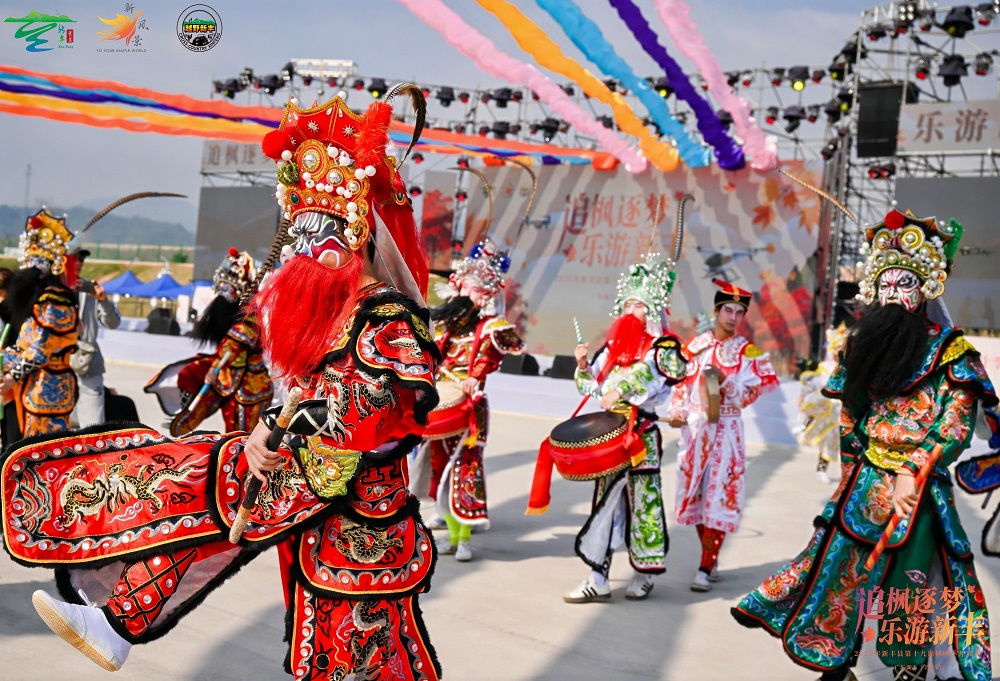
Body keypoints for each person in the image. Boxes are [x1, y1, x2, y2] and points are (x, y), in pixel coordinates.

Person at [8, 89, 444, 679]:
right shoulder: (343, 311)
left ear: (355, 231)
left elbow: (363, 415)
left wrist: (275, 427)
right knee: (200, 486)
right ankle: (116, 623)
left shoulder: (387, 317)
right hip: (319, 499)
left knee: (358, 658)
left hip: (359, 519)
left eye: (313, 233)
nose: (300, 252)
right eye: (299, 234)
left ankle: (115, 624)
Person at [732, 210, 995, 681]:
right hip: (862, 487)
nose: (895, 293)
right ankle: (841, 665)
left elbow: (954, 424)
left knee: (910, 590)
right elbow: (852, 417)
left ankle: (904, 672)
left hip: (917, 495)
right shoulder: (863, 345)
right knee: (839, 580)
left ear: (925, 289)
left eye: (906, 283)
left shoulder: (951, 352)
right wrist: (854, 469)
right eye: (887, 284)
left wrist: (912, 471)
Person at [554, 252, 688, 603]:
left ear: (654, 310)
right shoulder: (614, 348)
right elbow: (590, 387)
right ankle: (597, 575)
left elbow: (650, 374)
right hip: (610, 436)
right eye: (628, 304)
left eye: (640, 305)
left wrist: (620, 389)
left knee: (644, 504)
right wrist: (583, 365)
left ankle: (644, 572)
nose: (632, 312)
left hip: (641, 437)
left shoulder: (665, 348)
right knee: (604, 504)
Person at [414, 236, 524, 562]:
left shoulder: (489, 327)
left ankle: (465, 539)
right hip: (442, 403)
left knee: (464, 469)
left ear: (486, 296)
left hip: (469, 407)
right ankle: (450, 529)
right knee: (437, 468)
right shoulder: (449, 327)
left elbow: (510, 345)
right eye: (463, 288)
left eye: (473, 291)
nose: (465, 295)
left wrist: (476, 373)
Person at [665, 278, 778, 592]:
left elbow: (747, 395)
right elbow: (679, 384)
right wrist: (678, 410)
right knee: (697, 494)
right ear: (716, 311)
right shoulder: (696, 346)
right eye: (728, 310)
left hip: (727, 430)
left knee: (720, 495)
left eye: (739, 313)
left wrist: (727, 383)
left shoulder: (747, 351)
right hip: (697, 430)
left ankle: (704, 565)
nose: (733, 317)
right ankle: (709, 555)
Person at [145, 248, 273, 436]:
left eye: (226, 290)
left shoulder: (246, 324)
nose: (221, 295)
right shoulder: (244, 320)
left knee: (242, 440)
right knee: (236, 437)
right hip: (242, 388)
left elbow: (230, 353)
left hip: (249, 392)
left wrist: (213, 373)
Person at [0, 209, 78, 445]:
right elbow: (25, 344)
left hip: (47, 388)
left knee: (40, 451)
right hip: (30, 386)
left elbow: (41, 348)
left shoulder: (55, 301)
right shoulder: (40, 300)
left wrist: (13, 374)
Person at [70, 248, 121, 428]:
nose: (79, 262)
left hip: (88, 363)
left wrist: (103, 300)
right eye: (74, 258)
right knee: (57, 427)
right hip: (58, 364)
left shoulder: (88, 289)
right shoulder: (50, 288)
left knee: (93, 425)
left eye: (82, 259)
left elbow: (113, 322)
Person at [796, 324, 848, 485]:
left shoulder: (848, 368)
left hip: (841, 413)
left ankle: (845, 475)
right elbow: (813, 385)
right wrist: (803, 396)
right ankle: (820, 470)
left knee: (836, 445)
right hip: (825, 408)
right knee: (824, 441)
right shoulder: (825, 368)